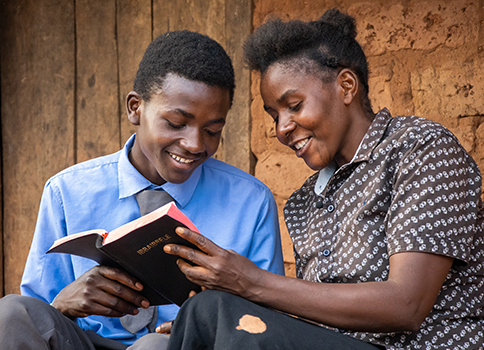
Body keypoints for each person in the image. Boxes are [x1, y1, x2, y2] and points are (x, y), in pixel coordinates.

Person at [162, 9, 484, 350]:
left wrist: (251, 283)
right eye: (274, 115)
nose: (281, 128)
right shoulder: (304, 201)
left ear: (346, 86)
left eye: (294, 105)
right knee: (201, 318)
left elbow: (407, 304)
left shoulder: (419, 149)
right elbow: (319, 320)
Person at [0, 30, 284, 350]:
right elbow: (37, 319)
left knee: (154, 347)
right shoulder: (67, 192)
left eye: (212, 130)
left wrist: (204, 324)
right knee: (10, 312)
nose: (195, 144)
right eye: (176, 123)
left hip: (178, 347)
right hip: (84, 342)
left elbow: (265, 321)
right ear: (135, 108)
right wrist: (64, 303)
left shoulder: (250, 202)